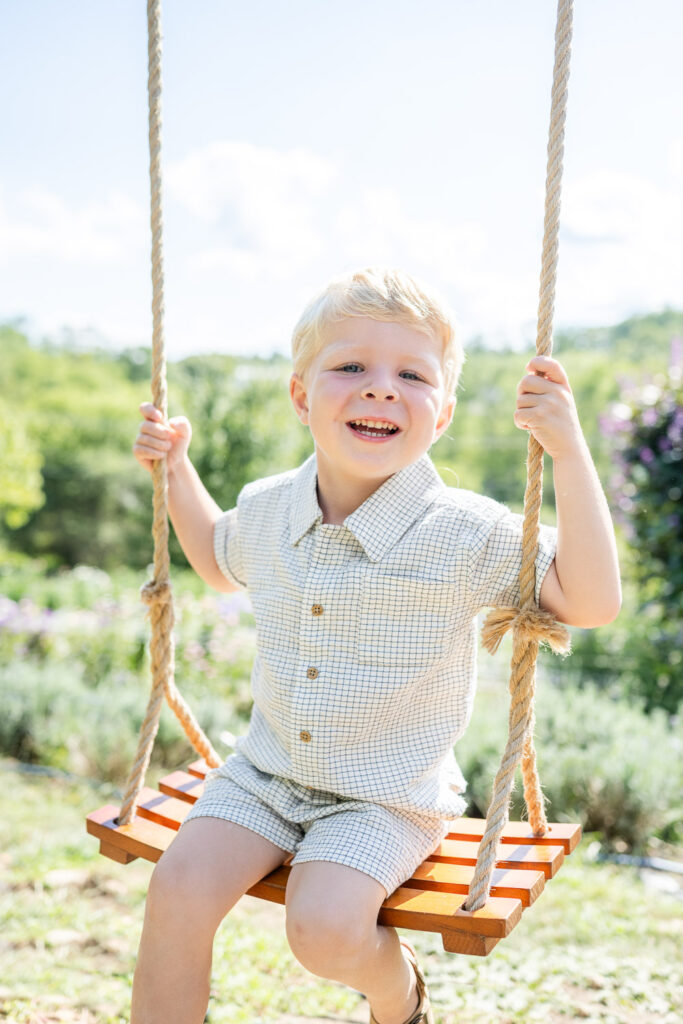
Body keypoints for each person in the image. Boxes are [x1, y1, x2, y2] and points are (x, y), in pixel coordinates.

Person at [130, 267, 621, 1024]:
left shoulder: (464, 532)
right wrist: (176, 467)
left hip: (384, 799)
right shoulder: (269, 507)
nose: (380, 388)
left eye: (411, 375)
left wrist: (566, 450)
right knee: (177, 891)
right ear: (301, 395)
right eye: (350, 366)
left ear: (444, 413)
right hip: (264, 774)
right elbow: (215, 558)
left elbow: (590, 600)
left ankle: (399, 994)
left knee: (323, 933)